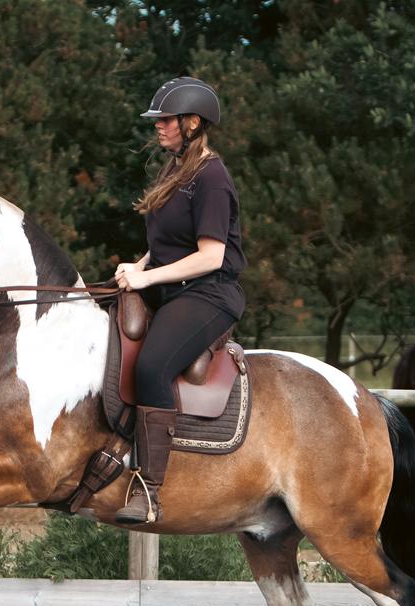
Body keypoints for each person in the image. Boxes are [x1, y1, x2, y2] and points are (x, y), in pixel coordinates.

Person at [113, 76, 247, 524]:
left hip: (210, 293)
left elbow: (210, 256)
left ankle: (149, 491)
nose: (159, 127)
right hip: (172, 285)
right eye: (159, 120)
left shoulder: (212, 177)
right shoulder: (174, 169)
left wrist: (146, 277)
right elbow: (169, 244)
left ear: (193, 122)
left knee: (152, 366)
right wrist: (137, 267)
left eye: (166, 120)